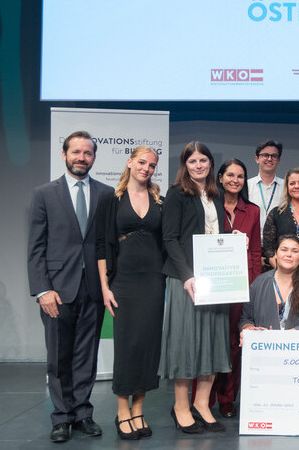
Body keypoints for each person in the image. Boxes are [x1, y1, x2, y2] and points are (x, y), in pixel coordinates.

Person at [28, 131, 112, 442]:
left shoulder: (106, 194)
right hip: (56, 290)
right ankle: (61, 417)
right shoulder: (44, 194)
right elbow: (35, 247)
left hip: (92, 289)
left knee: (86, 356)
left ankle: (83, 414)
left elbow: (107, 245)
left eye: (87, 153)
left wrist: (108, 286)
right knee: (59, 357)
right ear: (64, 155)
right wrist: (42, 290)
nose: (81, 157)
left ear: (93, 158)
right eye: (75, 152)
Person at [160, 141, 230, 434]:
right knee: (185, 343)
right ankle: (180, 407)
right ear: (185, 165)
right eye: (193, 161)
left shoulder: (217, 193)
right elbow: (169, 238)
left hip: (215, 279)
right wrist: (187, 275)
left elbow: (215, 234)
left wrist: (233, 238)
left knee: (211, 341)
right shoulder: (176, 193)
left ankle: (202, 403)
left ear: (211, 163)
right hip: (185, 280)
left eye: (203, 160)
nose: (198, 165)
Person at [95, 146, 164, 440]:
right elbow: (101, 244)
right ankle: (122, 410)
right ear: (130, 162)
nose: (146, 168)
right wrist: (104, 287)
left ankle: (138, 410)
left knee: (148, 346)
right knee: (127, 345)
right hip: (123, 280)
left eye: (151, 165)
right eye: (141, 162)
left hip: (153, 281)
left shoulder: (160, 201)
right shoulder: (112, 199)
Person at [211, 159, 262, 419]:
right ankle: (205, 398)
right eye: (229, 175)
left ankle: (227, 398)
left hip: (240, 285)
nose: (235, 180)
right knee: (209, 342)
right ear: (219, 178)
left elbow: (255, 252)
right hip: (213, 285)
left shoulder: (252, 211)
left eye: (240, 176)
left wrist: (252, 287)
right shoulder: (208, 206)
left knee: (234, 343)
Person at [239, 235, 299, 332]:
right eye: (284, 250)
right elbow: (246, 319)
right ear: (275, 254)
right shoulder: (259, 283)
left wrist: (282, 339)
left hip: (298, 345)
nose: (289, 254)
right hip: (264, 345)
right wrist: (248, 329)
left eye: (295, 251)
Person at [247, 140, 284, 238]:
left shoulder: (286, 186)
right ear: (257, 159)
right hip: (251, 241)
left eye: (274, 156)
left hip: (278, 244)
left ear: (278, 160)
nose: (269, 158)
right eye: (265, 155)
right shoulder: (246, 186)